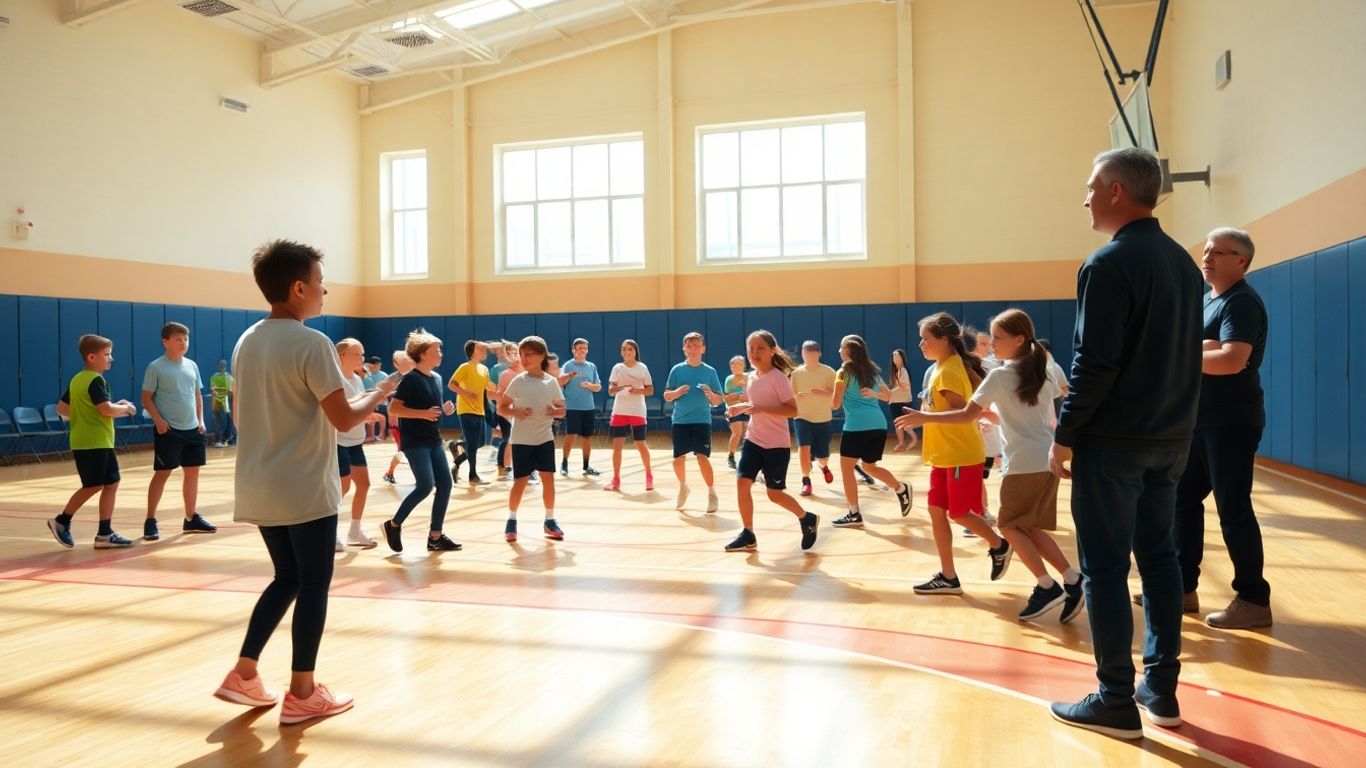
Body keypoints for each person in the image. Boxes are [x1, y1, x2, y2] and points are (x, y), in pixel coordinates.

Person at [1048, 148, 1204, 739]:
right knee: (1160, 560)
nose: (1084, 196)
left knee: (1105, 569)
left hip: (1115, 443)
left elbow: (1096, 362)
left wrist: (1065, 436)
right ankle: (1159, 691)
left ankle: (1115, 699)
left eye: (1091, 186)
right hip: (1171, 438)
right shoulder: (1184, 265)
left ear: (1117, 191)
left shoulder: (1107, 264)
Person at [214, 239, 395, 724]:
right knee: (313, 583)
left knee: (287, 578)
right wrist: (379, 392)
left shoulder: (247, 339)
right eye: (319, 282)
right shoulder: (312, 343)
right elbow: (343, 419)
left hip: (257, 483)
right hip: (303, 487)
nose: (325, 290)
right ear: (298, 288)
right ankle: (303, 692)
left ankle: (245, 673)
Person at [899, 309, 1084, 622]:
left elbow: (965, 415)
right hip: (1044, 457)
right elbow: (1049, 404)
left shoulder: (1001, 375)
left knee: (1010, 527)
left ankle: (1048, 585)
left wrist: (922, 418)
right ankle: (1073, 579)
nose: (990, 343)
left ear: (1019, 338)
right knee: (1029, 527)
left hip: (1022, 462)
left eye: (998, 337)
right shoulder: (1044, 369)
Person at [1171, 227, 1273, 629]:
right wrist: (1203, 350)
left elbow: (1231, 360)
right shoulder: (1206, 301)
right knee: (1182, 501)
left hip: (1230, 422)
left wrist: (1187, 353)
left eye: (1219, 252)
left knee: (1233, 509)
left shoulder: (1242, 302)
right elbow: (1209, 352)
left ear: (1242, 261)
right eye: (1206, 250)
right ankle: (1182, 588)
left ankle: (1253, 598)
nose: (1207, 257)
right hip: (1199, 421)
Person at [911, 312, 1013, 595]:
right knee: (935, 510)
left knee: (959, 512)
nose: (921, 344)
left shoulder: (950, 371)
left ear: (944, 340)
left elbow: (963, 415)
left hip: (959, 454)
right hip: (944, 455)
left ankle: (1000, 545)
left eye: (926, 339)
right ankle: (948, 576)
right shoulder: (943, 367)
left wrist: (923, 418)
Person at [722, 330, 819, 552]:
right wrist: (741, 407)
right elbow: (756, 404)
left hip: (776, 445)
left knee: (774, 494)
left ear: (772, 351)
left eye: (760, 348)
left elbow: (792, 410)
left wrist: (759, 408)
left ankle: (806, 518)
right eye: (751, 349)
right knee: (742, 482)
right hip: (753, 440)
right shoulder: (750, 377)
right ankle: (748, 533)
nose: (754, 353)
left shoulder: (779, 378)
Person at [47, 334, 139, 549]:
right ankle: (62, 521)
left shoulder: (77, 379)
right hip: (93, 442)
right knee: (93, 485)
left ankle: (105, 534)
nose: (111, 359)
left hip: (94, 441)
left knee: (111, 483)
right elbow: (106, 409)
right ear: (91, 357)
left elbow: (61, 408)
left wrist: (87, 414)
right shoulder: (97, 380)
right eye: (106, 355)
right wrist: (126, 407)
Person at [380, 329, 462, 553]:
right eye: (437, 350)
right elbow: (394, 408)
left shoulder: (436, 378)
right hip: (415, 442)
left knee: (445, 483)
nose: (441, 354)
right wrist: (422, 414)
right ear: (423, 354)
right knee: (425, 485)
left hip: (434, 439)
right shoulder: (411, 379)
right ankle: (393, 524)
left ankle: (435, 537)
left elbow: (433, 407)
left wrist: (445, 409)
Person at [142, 322, 216, 541]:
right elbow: (146, 398)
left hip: (193, 429)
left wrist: (201, 420)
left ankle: (191, 517)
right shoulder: (156, 367)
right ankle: (150, 519)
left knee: (193, 473)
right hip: (169, 430)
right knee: (162, 473)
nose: (183, 343)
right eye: (178, 339)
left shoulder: (192, 365)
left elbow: (197, 395)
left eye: (186, 339)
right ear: (166, 342)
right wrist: (159, 421)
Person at [829, 335, 913, 528]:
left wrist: (825, 394)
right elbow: (888, 396)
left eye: (842, 348)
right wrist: (873, 394)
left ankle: (854, 513)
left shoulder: (842, 373)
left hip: (856, 427)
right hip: (878, 426)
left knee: (847, 468)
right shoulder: (872, 372)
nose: (839, 351)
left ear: (850, 351)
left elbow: (834, 404)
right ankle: (900, 488)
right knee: (869, 467)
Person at [498, 336, 567, 542]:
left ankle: (549, 519)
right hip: (522, 440)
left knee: (549, 481)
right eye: (521, 354)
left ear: (541, 356)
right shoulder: (519, 381)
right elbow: (502, 407)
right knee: (520, 481)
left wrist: (555, 410)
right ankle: (511, 520)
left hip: (545, 439)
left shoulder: (551, 382)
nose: (524, 358)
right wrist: (516, 412)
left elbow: (562, 410)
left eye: (529, 354)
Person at [663, 332, 725, 512]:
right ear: (684, 349)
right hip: (680, 420)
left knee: (702, 456)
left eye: (697, 346)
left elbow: (718, 399)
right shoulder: (677, 370)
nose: (693, 349)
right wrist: (676, 393)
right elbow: (667, 395)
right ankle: (683, 486)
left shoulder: (710, 371)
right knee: (677, 459)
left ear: (703, 349)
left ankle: (712, 493)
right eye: (689, 346)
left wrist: (710, 394)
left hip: (702, 420)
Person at [334, 339, 379, 550]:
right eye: (356, 354)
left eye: (362, 354)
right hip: (339, 441)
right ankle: (330, 533)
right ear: (341, 356)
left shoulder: (359, 380)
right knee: (342, 487)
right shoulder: (336, 379)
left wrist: (367, 415)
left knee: (364, 485)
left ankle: (354, 530)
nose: (362, 359)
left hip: (355, 442)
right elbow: (341, 409)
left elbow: (359, 407)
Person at [605, 339, 654, 492]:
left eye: (630, 350)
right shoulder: (617, 368)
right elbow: (610, 391)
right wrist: (620, 388)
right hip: (619, 410)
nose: (626, 352)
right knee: (617, 447)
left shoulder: (642, 368)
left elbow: (650, 390)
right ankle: (616, 479)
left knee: (640, 443)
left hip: (637, 411)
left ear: (635, 352)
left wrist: (637, 391)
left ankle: (649, 476)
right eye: (623, 349)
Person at [790, 340, 837, 497]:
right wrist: (795, 396)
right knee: (803, 449)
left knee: (823, 457)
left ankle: (823, 466)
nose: (808, 357)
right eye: (805, 354)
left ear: (819, 354)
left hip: (822, 418)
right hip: (801, 416)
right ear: (802, 354)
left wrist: (823, 392)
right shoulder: (796, 374)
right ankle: (806, 481)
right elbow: (790, 396)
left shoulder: (829, 372)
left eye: (812, 354)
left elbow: (836, 394)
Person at [447, 339, 496, 485]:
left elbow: (488, 389)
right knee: (473, 445)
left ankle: (457, 451)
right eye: (481, 349)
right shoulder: (464, 367)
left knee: (479, 443)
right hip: (466, 409)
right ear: (473, 351)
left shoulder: (485, 370)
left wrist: (499, 391)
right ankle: (472, 475)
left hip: (479, 410)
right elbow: (451, 384)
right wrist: (466, 393)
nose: (484, 351)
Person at [559, 338, 603, 477]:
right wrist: (569, 376)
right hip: (572, 407)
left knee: (587, 437)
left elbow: (598, 387)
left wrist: (590, 386)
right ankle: (564, 463)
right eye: (580, 348)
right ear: (574, 351)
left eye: (585, 348)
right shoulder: (568, 365)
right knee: (571, 435)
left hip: (588, 407)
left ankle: (586, 466)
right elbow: (561, 381)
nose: (583, 350)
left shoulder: (591, 366)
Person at [381, 350, 414, 485]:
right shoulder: (392, 378)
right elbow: (379, 393)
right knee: (405, 449)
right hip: (397, 420)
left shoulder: (416, 376)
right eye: (404, 361)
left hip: (413, 419)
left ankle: (389, 473)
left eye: (408, 360)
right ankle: (389, 473)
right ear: (396, 364)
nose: (408, 363)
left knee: (412, 449)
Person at [722, 355, 749, 470]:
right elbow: (728, 397)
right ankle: (731, 457)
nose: (736, 366)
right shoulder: (729, 379)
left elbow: (751, 395)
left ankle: (747, 456)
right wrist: (739, 397)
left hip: (747, 409)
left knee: (748, 433)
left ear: (744, 366)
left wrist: (745, 390)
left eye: (739, 364)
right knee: (737, 432)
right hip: (733, 409)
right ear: (731, 367)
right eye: (734, 365)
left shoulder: (749, 378)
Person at [887, 349, 917, 451]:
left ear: (902, 358)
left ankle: (914, 439)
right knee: (898, 424)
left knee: (906, 423)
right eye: (894, 357)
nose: (895, 358)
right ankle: (901, 443)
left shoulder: (903, 371)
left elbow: (904, 386)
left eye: (897, 356)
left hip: (903, 401)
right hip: (895, 401)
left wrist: (891, 392)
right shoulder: (895, 372)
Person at [209, 359, 235, 448]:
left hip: (225, 402)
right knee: (218, 422)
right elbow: (212, 389)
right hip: (217, 402)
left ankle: (224, 439)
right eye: (221, 365)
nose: (222, 367)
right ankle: (218, 440)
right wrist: (214, 392)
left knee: (227, 421)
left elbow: (231, 391)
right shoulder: (215, 377)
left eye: (223, 365)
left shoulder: (229, 377)